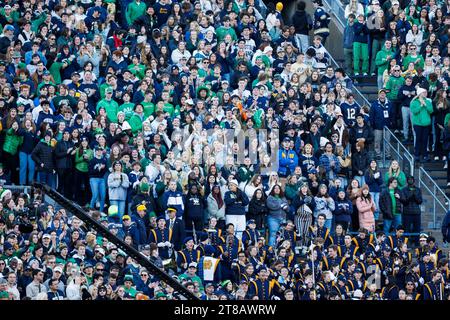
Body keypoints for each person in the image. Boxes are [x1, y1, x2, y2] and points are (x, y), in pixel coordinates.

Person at [410, 87, 433, 162]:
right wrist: (421, 106)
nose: (426, 94)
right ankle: (416, 154)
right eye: (424, 92)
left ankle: (425, 155)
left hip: (426, 124)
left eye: (426, 92)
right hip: (418, 124)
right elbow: (414, 111)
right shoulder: (414, 102)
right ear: (420, 93)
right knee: (418, 139)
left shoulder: (428, 101)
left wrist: (425, 105)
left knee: (425, 140)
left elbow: (431, 111)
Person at [401, 176, 422, 245]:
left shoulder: (418, 190)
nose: (410, 181)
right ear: (407, 181)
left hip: (416, 212)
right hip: (407, 213)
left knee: (417, 229)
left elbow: (420, 201)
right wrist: (410, 196)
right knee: (406, 229)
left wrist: (414, 196)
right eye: (409, 179)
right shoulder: (404, 190)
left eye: (411, 179)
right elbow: (404, 202)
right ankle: (406, 244)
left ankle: (416, 244)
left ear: (414, 180)